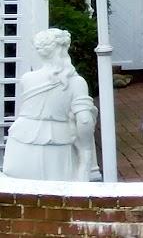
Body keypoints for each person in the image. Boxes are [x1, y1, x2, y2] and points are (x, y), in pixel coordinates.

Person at [1, 28, 98, 183]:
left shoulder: (27, 79)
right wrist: (86, 151)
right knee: (58, 197)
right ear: (64, 48)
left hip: (20, 144)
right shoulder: (76, 82)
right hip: (57, 145)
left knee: (19, 195)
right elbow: (85, 120)